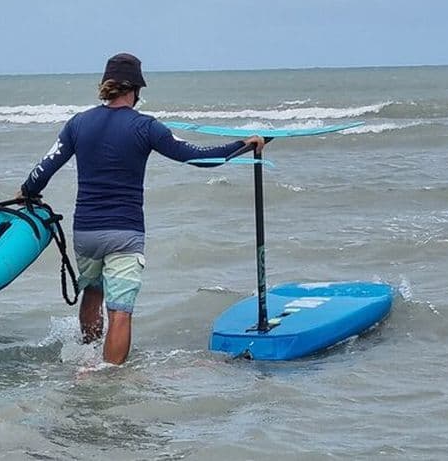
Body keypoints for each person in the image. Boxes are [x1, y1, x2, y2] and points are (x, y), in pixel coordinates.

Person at [19, 53, 264, 364]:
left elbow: (45, 168)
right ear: (135, 90)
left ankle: (87, 354)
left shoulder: (78, 124)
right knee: (120, 311)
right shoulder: (146, 127)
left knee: (92, 292)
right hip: (124, 232)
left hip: (86, 232)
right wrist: (243, 144)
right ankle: (108, 377)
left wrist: (25, 192)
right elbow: (198, 157)